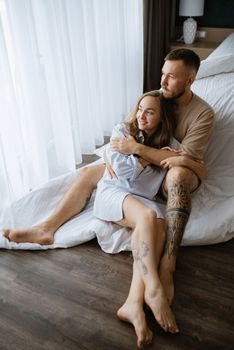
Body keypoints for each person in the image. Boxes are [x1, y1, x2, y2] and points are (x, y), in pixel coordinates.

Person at [3, 48, 214, 307]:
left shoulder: (202, 113)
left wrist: (138, 151)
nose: (162, 82)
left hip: (173, 173)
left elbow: (183, 161)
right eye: (162, 74)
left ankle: (167, 266)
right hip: (141, 171)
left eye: (171, 77)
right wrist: (109, 157)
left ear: (190, 80)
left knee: (177, 175)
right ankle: (46, 227)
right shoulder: (156, 98)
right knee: (90, 171)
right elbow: (123, 134)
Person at [92, 90, 207, 347]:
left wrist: (168, 156)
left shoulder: (171, 145)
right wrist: (146, 157)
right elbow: (123, 172)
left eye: (150, 111)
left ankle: (133, 304)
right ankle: (154, 289)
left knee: (158, 228)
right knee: (146, 217)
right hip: (115, 192)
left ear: (161, 116)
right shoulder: (123, 131)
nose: (142, 116)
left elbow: (202, 170)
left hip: (143, 200)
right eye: (141, 109)